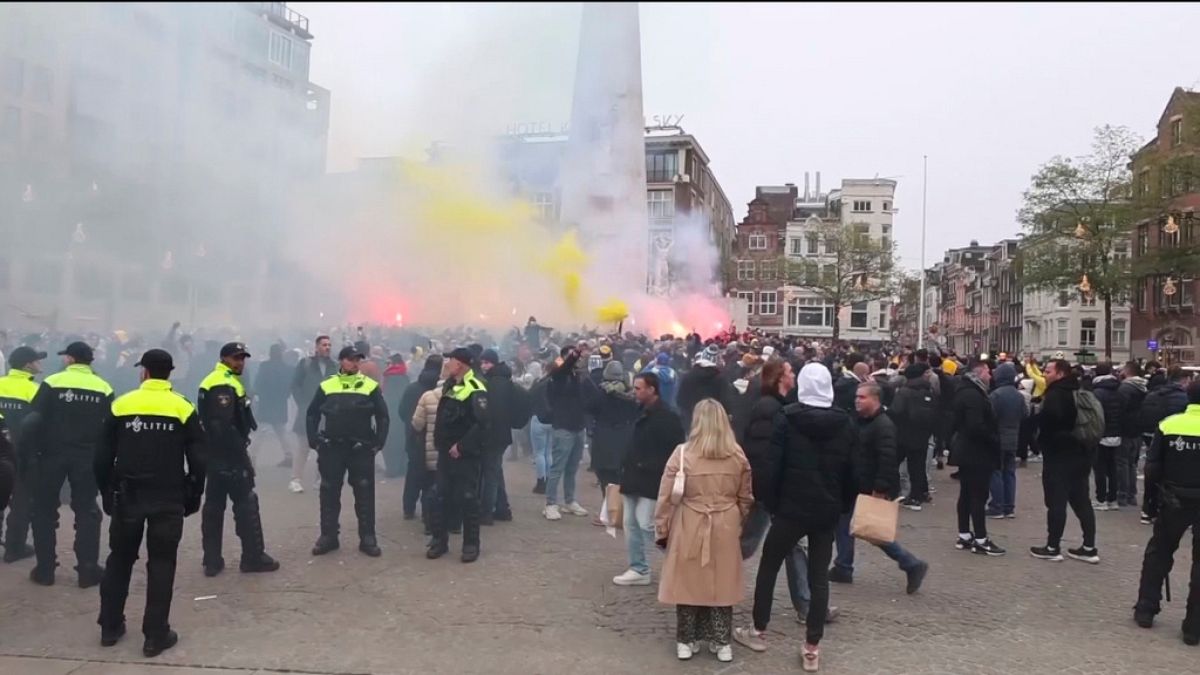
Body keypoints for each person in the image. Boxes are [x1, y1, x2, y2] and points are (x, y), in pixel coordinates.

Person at [734, 363, 857, 672]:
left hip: (790, 508)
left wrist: (773, 503)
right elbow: (852, 472)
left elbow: (771, 467)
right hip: (825, 511)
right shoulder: (845, 423)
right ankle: (812, 646)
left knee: (769, 566)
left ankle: (758, 630)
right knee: (818, 576)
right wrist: (841, 505)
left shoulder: (787, 420)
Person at [94, 349, 205, 657]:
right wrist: (194, 494)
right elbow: (199, 458)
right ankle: (155, 635)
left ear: (143, 372)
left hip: (127, 496)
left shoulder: (122, 405)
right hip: (168, 497)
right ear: (169, 373)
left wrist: (105, 490)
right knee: (161, 563)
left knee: (119, 559)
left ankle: (110, 627)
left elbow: (101, 456)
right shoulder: (182, 408)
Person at [654, 399, 752, 663]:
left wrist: (662, 528)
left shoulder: (682, 453)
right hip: (726, 522)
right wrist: (737, 520)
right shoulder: (737, 455)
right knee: (722, 581)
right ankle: (721, 641)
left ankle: (686, 639)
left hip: (690, 520)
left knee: (687, 579)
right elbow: (746, 497)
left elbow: (665, 496)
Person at [27, 341, 114, 587]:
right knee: (87, 511)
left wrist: (31, 453)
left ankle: (45, 570)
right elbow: (110, 427)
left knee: (44, 510)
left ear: (71, 359)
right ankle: (87, 570)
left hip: (51, 455)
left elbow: (34, 419)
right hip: (87, 457)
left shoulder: (52, 382)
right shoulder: (104, 387)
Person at [829, 382, 929, 593]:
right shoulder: (860, 421)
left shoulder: (883, 426)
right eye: (856, 396)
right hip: (856, 484)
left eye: (862, 397)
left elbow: (887, 458)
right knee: (845, 524)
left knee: (872, 530)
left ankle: (910, 563)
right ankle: (843, 566)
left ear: (875, 399)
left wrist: (880, 488)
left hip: (869, 486)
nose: (857, 400)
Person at [197, 343, 279, 577]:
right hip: (228, 455)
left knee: (214, 506)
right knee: (245, 504)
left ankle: (212, 561)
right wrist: (240, 458)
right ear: (223, 358)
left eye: (243, 358)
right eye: (235, 358)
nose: (240, 362)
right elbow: (222, 425)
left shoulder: (220, 379)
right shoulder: (222, 383)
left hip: (215, 455)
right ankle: (252, 558)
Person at [305, 345, 390, 558]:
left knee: (364, 493)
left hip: (360, 447)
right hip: (333, 447)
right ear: (341, 361)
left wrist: (379, 441)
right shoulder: (327, 385)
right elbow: (312, 413)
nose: (355, 363)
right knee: (329, 492)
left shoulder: (369, 386)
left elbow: (382, 415)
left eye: (358, 360)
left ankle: (368, 538)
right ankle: (328, 537)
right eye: (351, 359)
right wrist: (313, 439)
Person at [1134, 380, 1200, 645]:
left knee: (1159, 552)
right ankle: (1193, 627)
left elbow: (1152, 467)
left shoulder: (1169, 424)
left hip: (1173, 498)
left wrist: (1149, 502)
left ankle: (1146, 608)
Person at [613, 372, 684, 586]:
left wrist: (651, 465)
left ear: (652, 389)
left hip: (652, 478)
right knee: (630, 523)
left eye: (638, 388)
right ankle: (639, 568)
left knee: (648, 524)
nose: (634, 392)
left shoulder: (668, 416)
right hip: (633, 476)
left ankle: (680, 565)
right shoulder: (638, 410)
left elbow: (676, 449)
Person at [1030, 359, 1098, 563]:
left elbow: (1052, 423)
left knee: (1056, 502)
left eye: (1048, 371)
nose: (1044, 374)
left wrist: (1038, 433)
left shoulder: (1055, 395)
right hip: (1081, 455)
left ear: (1060, 374)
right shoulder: (1080, 391)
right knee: (1082, 501)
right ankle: (1089, 547)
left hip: (1059, 456)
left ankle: (1053, 546)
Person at [426, 348, 489, 563]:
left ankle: (471, 544)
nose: (447, 363)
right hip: (445, 453)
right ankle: (439, 541)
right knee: (439, 496)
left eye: (450, 360)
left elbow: (482, 424)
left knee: (468, 498)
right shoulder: (450, 385)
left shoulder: (476, 387)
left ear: (460, 364)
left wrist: (461, 446)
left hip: (465, 455)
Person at [950, 360, 1006, 556]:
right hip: (977, 452)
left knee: (966, 493)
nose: (990, 376)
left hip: (966, 450)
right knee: (978, 495)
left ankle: (964, 534)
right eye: (988, 372)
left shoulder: (964, 391)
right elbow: (976, 425)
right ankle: (981, 539)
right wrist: (994, 439)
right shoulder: (974, 395)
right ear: (979, 373)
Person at [1, 345, 45, 562]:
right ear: (28, 365)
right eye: (37, 360)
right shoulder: (36, 390)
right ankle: (14, 547)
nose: (40, 364)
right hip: (23, 453)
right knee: (21, 501)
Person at [582, 360, 638, 515]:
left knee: (606, 478)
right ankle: (623, 511)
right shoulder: (631, 395)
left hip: (605, 439)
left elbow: (588, 408)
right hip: (626, 439)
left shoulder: (601, 393)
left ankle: (609, 512)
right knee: (621, 477)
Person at [1137, 366, 1191, 525]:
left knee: (1153, 472)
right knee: (1174, 474)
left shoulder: (1153, 394)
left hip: (1151, 436)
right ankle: (1169, 508)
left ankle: (1148, 509)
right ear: (1184, 380)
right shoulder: (1184, 397)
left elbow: (1144, 414)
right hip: (1175, 438)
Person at [544, 347, 588, 520]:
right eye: (571, 357)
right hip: (563, 427)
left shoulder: (578, 376)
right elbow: (562, 366)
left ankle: (569, 501)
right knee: (558, 468)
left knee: (572, 468)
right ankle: (550, 504)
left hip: (578, 426)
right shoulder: (558, 373)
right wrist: (574, 354)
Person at [289, 335, 335, 493]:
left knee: (324, 448)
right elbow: (295, 385)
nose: (327, 347)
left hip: (327, 412)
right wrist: (302, 403)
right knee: (303, 446)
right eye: (324, 345)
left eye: (329, 345)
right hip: (307, 411)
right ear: (316, 347)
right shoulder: (305, 364)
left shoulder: (334, 366)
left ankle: (319, 479)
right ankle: (295, 479)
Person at [890, 362, 939, 510]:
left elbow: (895, 411)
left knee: (892, 463)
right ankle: (917, 496)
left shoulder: (904, 391)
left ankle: (892, 493)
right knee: (917, 467)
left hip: (902, 435)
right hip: (922, 436)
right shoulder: (928, 391)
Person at [400, 355, 442, 520]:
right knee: (432, 476)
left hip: (413, 437)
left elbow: (402, 411)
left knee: (413, 473)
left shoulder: (412, 388)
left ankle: (408, 508)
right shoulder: (438, 392)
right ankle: (428, 512)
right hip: (433, 438)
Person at [986, 362, 1027, 519]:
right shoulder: (1019, 396)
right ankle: (1009, 507)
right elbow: (1025, 414)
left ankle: (997, 505)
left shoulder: (995, 395)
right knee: (1010, 473)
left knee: (995, 471)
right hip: (1013, 438)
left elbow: (990, 416)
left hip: (998, 438)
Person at [478, 349, 514, 525]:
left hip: (493, 435)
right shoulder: (505, 380)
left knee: (490, 474)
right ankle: (503, 508)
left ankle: (487, 512)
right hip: (503, 434)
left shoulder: (492, 383)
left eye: (487, 362)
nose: (484, 366)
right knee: (496, 471)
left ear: (493, 363)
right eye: (482, 362)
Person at [1089, 362, 1125, 512]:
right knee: (1113, 468)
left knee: (1100, 469)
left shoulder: (1097, 393)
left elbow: (1094, 415)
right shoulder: (1120, 390)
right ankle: (1113, 499)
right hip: (1116, 434)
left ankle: (1101, 499)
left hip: (1101, 435)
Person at [253, 343, 294, 470]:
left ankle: (251, 459)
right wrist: (284, 396)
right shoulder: (287, 368)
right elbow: (289, 386)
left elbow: (259, 383)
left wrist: (256, 394)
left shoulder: (265, 366)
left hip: (266, 402)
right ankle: (289, 456)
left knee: (260, 432)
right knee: (281, 431)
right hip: (279, 402)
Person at [676, 345, 735, 431]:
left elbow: (680, 400)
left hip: (691, 423)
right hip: (713, 425)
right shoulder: (721, 379)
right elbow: (726, 402)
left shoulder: (688, 377)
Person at [1117, 362, 1148, 508]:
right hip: (1138, 429)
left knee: (1123, 462)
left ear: (1127, 371)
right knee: (1132, 463)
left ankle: (1123, 494)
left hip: (1125, 429)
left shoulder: (1125, 388)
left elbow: (1121, 409)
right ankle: (1132, 494)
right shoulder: (1143, 387)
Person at [380, 353, 411, 478]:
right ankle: (401, 468)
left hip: (391, 415)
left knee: (390, 443)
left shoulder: (389, 377)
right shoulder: (405, 377)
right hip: (403, 416)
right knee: (402, 443)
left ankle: (392, 469)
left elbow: (386, 396)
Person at [527, 361, 552, 494]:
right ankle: (549, 480)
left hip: (538, 418)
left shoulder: (540, 383)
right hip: (553, 420)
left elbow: (530, 396)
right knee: (548, 452)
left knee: (539, 453)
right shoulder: (558, 384)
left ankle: (540, 482)